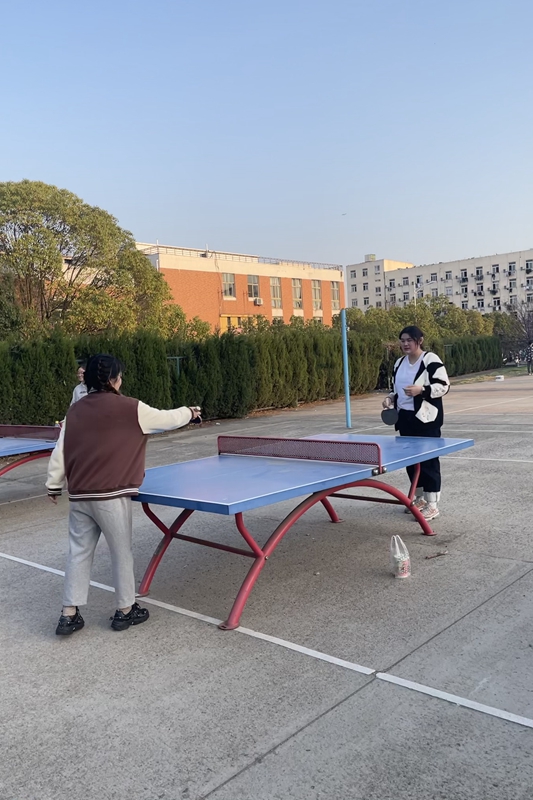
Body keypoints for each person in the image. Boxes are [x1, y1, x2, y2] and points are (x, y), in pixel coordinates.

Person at [46, 354, 202, 636]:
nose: (121, 380)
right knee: (121, 553)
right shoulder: (131, 408)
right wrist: (190, 412)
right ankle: (125, 610)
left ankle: (68, 615)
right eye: (120, 376)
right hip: (112, 495)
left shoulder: (75, 411)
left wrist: (54, 484)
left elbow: (61, 448)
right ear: (113, 380)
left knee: (78, 552)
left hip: (80, 495)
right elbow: (167, 418)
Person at [382, 326, 450, 521]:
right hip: (405, 419)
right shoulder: (399, 363)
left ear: (419, 341)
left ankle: (432, 504)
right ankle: (419, 498)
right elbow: (396, 389)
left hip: (426, 419)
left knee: (429, 462)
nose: (405, 344)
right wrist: (390, 398)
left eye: (409, 340)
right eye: (402, 340)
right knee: (411, 462)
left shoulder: (430, 360)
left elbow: (444, 386)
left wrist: (422, 390)